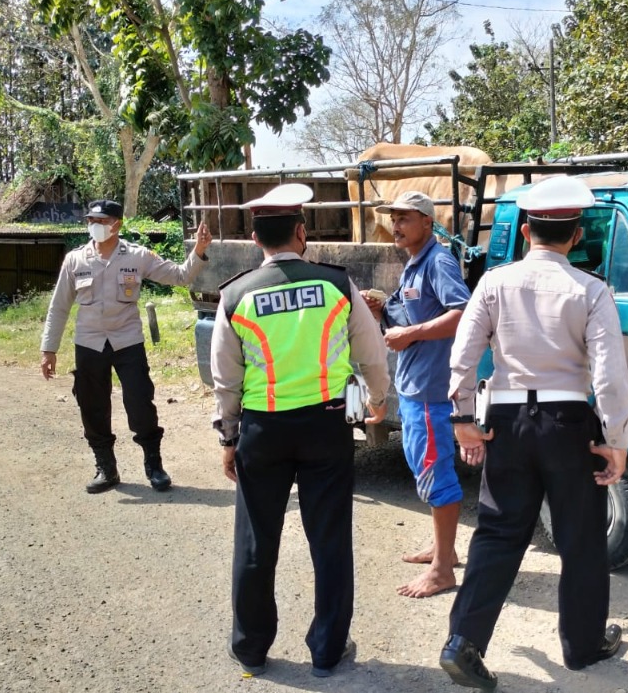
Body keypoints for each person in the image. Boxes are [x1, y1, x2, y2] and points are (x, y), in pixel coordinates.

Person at [438, 176, 628, 691]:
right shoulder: (591, 290)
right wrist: (617, 441)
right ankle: (583, 644)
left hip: (505, 423)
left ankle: (463, 643)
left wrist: (462, 418)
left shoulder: (494, 283)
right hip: (568, 425)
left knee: (498, 535)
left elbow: (463, 354)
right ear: (575, 237)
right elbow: (610, 376)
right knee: (581, 539)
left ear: (526, 231)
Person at [210, 183, 391, 679]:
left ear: (254, 238)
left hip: (263, 432)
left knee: (255, 543)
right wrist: (377, 400)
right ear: (301, 232)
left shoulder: (235, 295)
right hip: (325, 428)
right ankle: (328, 649)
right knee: (329, 541)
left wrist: (229, 438)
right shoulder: (336, 285)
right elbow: (371, 352)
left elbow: (226, 380)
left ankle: (250, 649)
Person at [41, 199, 212, 493]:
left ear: (116, 224)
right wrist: (49, 350)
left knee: (140, 402)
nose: (94, 226)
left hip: (127, 341)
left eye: (101, 221)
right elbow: (59, 307)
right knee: (92, 406)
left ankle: (154, 465)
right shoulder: (75, 260)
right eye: (90, 221)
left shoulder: (137, 255)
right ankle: (106, 468)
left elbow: (180, 277)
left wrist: (198, 251)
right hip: (89, 343)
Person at [362, 190, 471, 599]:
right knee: (426, 473)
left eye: (405, 218)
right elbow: (410, 316)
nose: (396, 225)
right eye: (394, 218)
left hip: (431, 392)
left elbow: (462, 313)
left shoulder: (439, 261)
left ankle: (443, 571)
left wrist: (412, 333)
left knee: (437, 476)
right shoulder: (413, 265)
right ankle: (444, 549)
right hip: (414, 388)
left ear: (427, 222)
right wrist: (381, 312)